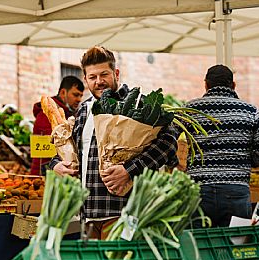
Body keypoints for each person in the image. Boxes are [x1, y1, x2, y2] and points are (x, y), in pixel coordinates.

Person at [50, 46, 179, 239]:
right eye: (92, 77)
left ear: (116, 73)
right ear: (85, 80)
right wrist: (56, 165)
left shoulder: (137, 103)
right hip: (88, 214)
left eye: (104, 74)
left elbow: (169, 142)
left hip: (124, 212)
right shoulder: (84, 110)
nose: (99, 82)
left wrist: (130, 169)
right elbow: (73, 149)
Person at [185, 64, 259, 228]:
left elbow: (169, 143)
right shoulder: (250, 111)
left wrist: (181, 162)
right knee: (236, 249)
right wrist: (244, 161)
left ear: (206, 84)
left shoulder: (190, 110)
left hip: (197, 191)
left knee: (198, 248)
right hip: (236, 191)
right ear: (233, 85)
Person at [30, 75, 84, 175]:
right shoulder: (46, 115)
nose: (79, 99)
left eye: (81, 96)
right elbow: (52, 150)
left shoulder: (69, 115)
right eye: (76, 95)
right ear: (63, 92)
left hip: (62, 170)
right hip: (44, 174)